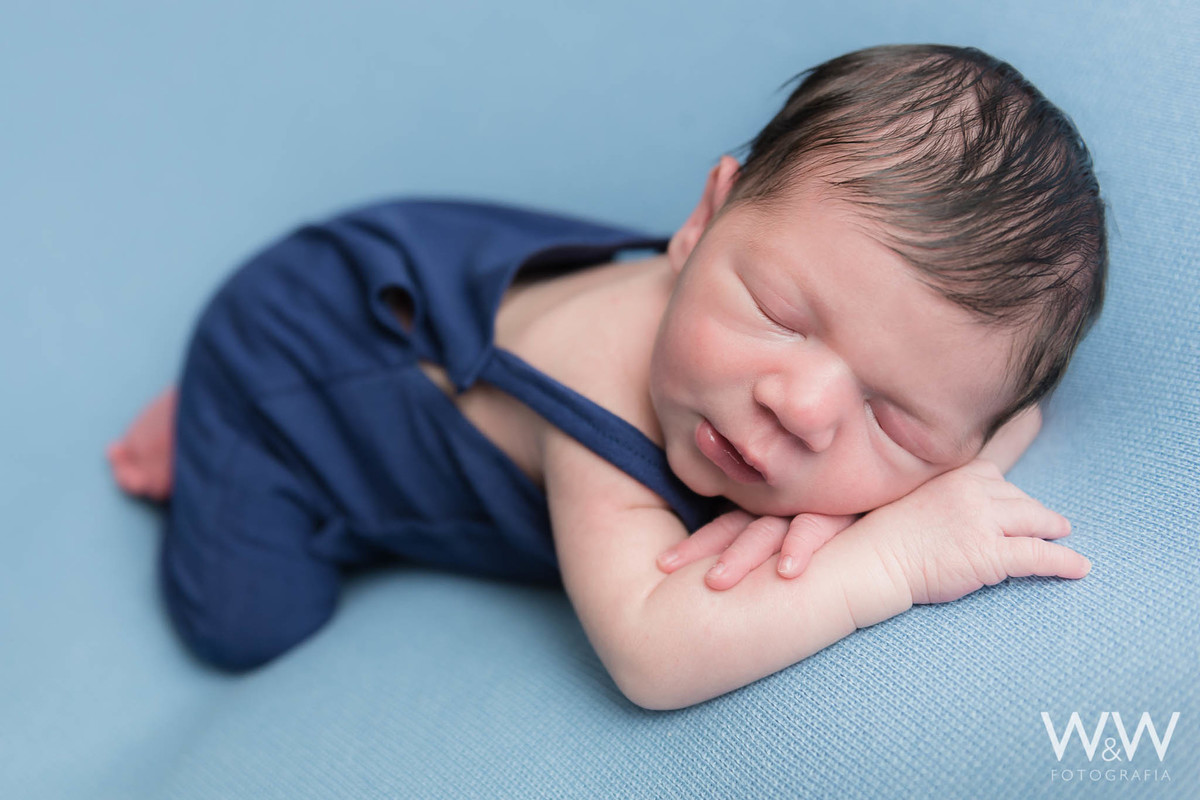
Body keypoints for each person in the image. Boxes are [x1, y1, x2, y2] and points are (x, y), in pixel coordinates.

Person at [107, 44, 1106, 710]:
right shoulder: (604, 396)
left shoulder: (742, 342)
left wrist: (945, 467)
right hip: (298, 357)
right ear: (703, 218)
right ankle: (214, 420)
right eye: (782, 316)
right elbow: (652, 653)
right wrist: (888, 559)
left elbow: (998, 421)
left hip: (436, 279)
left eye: (890, 417)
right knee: (245, 624)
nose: (799, 407)